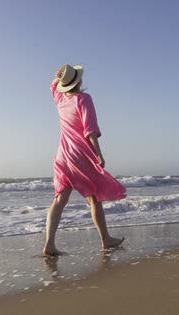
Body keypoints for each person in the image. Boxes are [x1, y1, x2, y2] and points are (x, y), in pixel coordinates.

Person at [43, 64, 127, 256]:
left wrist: (58, 78)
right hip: (80, 154)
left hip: (63, 155)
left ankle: (49, 244)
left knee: (59, 200)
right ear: (79, 81)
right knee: (94, 197)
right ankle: (105, 239)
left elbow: (53, 87)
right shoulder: (83, 99)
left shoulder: (60, 99)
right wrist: (98, 154)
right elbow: (90, 129)